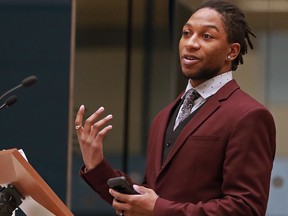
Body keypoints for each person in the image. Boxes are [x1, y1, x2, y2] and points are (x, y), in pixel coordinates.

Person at [75, 0, 276, 215]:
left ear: (232, 51)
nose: (190, 43)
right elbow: (145, 198)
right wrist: (96, 166)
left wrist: (158, 208)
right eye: (186, 33)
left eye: (206, 36)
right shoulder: (163, 117)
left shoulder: (249, 116)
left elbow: (246, 209)